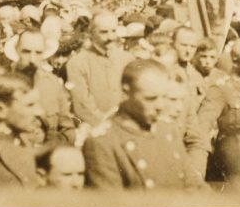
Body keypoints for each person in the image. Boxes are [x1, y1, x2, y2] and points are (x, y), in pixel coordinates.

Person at [83, 59, 202, 190]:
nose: (160, 106)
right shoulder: (103, 142)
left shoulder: (167, 129)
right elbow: (112, 206)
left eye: (164, 97)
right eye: (151, 98)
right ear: (126, 92)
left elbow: (195, 186)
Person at [196, 37, 240, 181]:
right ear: (236, 61)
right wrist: (198, 167)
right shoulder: (220, 89)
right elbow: (202, 126)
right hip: (234, 160)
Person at [65, 12, 133, 127]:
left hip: (127, 125)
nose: (110, 37)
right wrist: (106, 126)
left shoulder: (127, 59)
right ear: (91, 34)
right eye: (104, 32)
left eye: (113, 31)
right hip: (96, 128)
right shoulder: (77, 63)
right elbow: (82, 105)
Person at [11, 29, 76, 143]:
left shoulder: (53, 83)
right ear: (16, 50)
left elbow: (67, 130)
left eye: (38, 53)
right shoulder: (2, 83)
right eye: (26, 51)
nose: (32, 59)